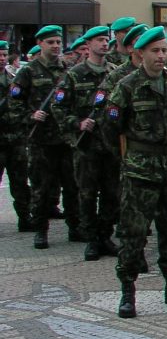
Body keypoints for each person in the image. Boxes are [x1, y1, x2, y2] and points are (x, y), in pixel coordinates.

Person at [104, 26, 167, 318]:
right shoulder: (126, 86)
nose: (161, 56)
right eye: (155, 51)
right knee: (134, 234)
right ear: (139, 53)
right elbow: (110, 128)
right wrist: (130, 159)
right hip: (140, 172)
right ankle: (128, 291)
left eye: (163, 50)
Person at [12, 24, 82, 249]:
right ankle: (40, 230)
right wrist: (30, 115)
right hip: (41, 140)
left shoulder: (68, 70)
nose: (55, 46)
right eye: (50, 42)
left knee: (72, 187)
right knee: (42, 188)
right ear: (40, 44)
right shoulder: (28, 71)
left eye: (58, 42)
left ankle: (75, 227)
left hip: (65, 139)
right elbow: (14, 103)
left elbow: (75, 101)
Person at [55, 25, 119, 261]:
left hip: (110, 145)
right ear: (88, 44)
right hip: (87, 146)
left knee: (113, 194)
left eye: (106, 40)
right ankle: (92, 239)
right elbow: (58, 107)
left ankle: (105, 235)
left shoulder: (115, 72)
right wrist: (77, 122)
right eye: (100, 40)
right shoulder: (75, 74)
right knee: (88, 194)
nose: (104, 44)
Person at [0, 40, 34, 231]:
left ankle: (24, 217)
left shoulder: (15, 78)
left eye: (4, 55)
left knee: (20, 181)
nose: (2, 58)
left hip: (16, 138)